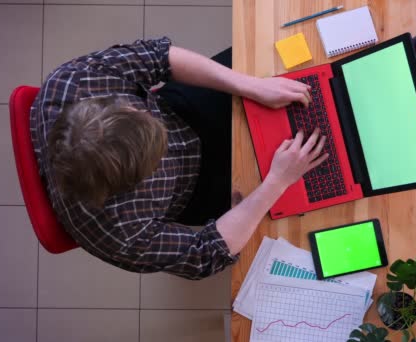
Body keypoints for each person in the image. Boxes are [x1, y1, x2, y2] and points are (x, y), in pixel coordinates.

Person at [30, 37, 329, 280]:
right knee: (317, 179)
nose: (150, 115)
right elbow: (206, 252)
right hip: (195, 185)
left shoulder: (74, 81)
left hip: (182, 111)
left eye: (143, 113)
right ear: (135, 181)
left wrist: (248, 85)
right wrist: (276, 182)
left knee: (280, 68)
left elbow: (161, 58)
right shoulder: (119, 233)